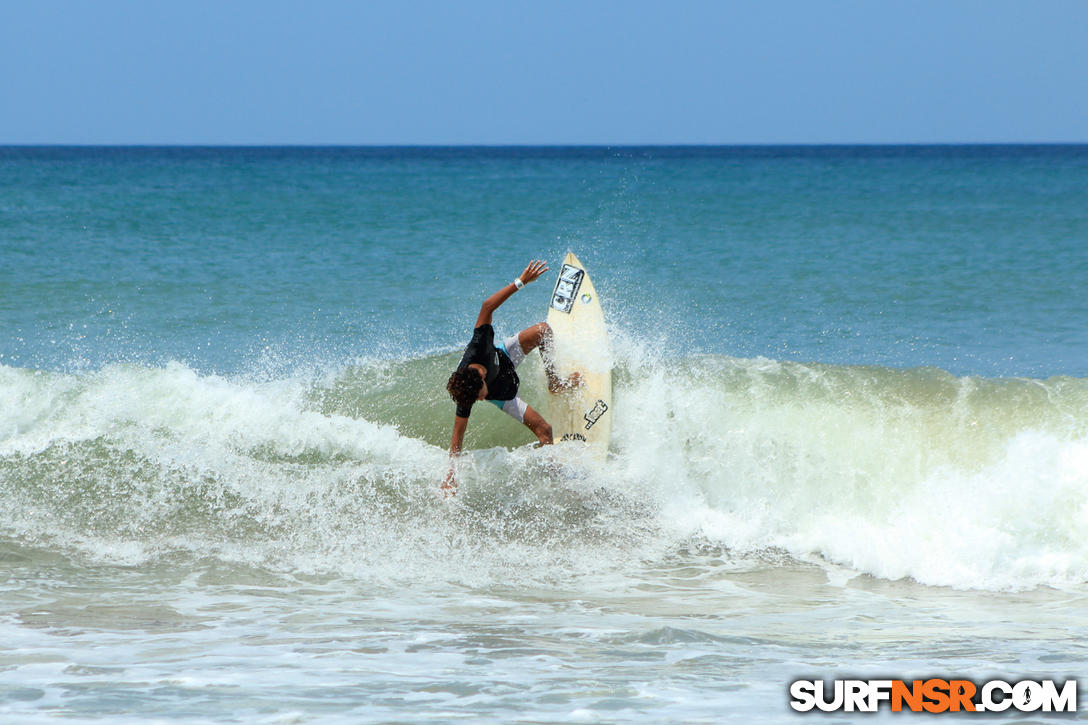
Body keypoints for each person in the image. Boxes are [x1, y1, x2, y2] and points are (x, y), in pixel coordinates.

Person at [442, 259, 580, 494]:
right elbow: (457, 437)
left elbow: (487, 306)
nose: (480, 401)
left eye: (479, 396)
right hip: (504, 393)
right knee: (545, 430)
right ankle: (558, 481)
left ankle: (555, 383)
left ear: (481, 378)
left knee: (543, 331)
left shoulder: (479, 345)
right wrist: (451, 476)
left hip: (504, 358)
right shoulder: (469, 393)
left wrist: (521, 281)